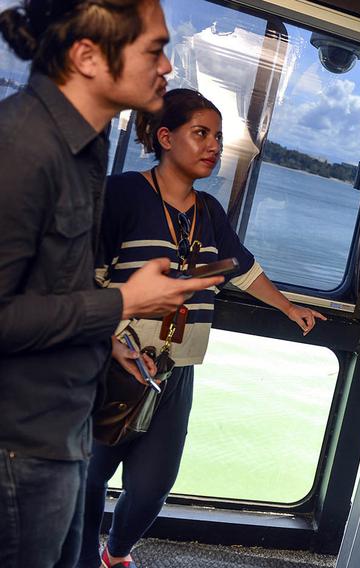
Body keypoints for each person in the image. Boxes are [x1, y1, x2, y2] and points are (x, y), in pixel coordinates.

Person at [0, 2, 222, 567]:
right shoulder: (23, 148)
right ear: (87, 56)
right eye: (153, 49)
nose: (168, 67)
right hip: (19, 448)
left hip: (63, 430)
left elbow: (53, 287)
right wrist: (126, 301)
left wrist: (109, 341)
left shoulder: (86, 148)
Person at [78, 88, 326, 568]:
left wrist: (287, 308)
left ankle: (116, 553)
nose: (214, 145)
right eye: (201, 133)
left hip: (175, 371)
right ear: (165, 137)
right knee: (87, 481)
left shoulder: (210, 211)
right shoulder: (124, 193)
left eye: (218, 136)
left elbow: (244, 270)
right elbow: (85, 279)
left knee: (152, 489)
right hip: (111, 363)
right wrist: (107, 342)